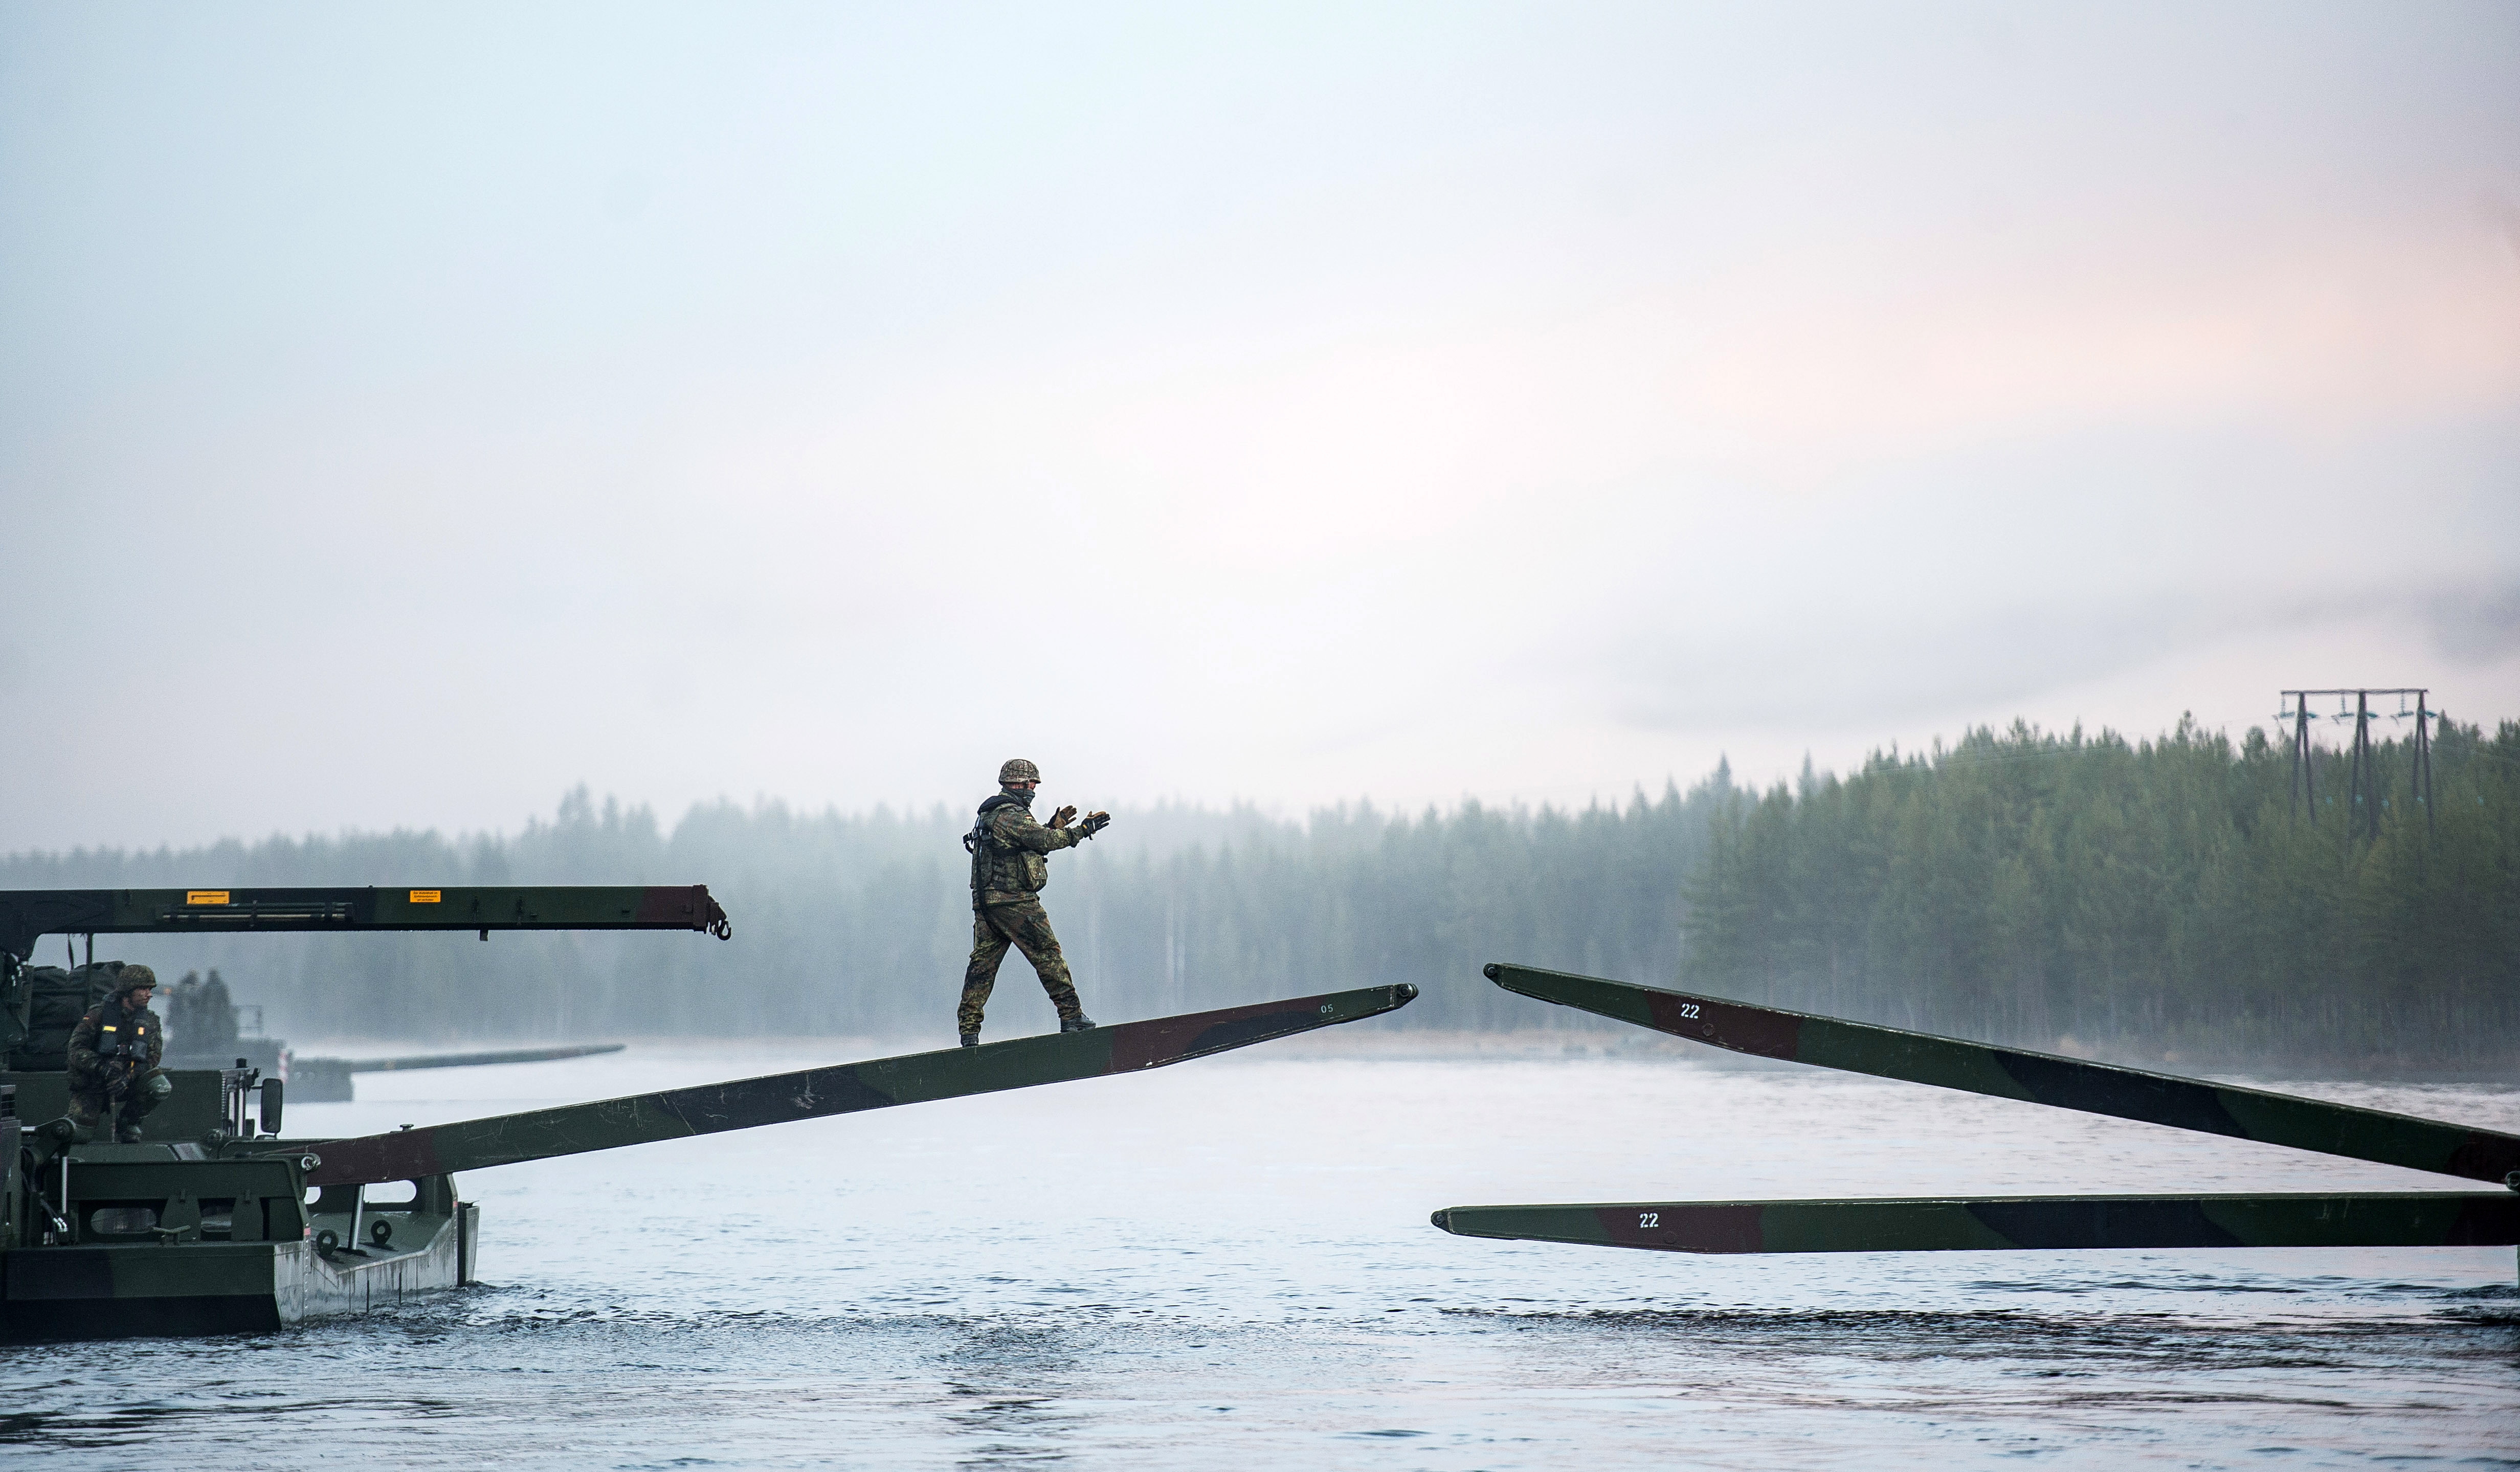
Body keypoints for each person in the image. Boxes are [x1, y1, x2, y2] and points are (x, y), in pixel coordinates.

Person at [958, 758, 1110, 1046]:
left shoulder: (991, 814)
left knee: (982, 967)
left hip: (987, 905)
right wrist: (1082, 830)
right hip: (1014, 902)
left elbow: (1021, 843)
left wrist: (1053, 825)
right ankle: (1072, 1017)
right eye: (1031, 784)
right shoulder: (1012, 814)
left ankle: (968, 1031)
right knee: (1048, 954)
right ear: (1017, 783)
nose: (1033, 790)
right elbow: (1043, 841)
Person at [66, 964, 172, 1142]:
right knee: (79, 1136)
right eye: (143, 989)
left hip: (127, 1082)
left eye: (150, 989)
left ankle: (128, 1122)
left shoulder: (150, 1021)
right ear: (128, 991)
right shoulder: (97, 1016)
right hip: (93, 1085)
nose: (150, 994)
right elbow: (76, 1050)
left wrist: (128, 1075)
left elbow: (153, 1057)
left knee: (160, 1086)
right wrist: (104, 1068)